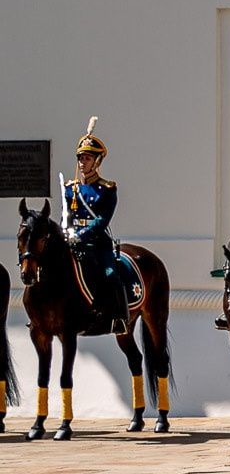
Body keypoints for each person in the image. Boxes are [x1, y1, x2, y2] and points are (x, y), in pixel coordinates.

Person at [61, 121, 135, 330]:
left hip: (97, 244)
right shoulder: (70, 188)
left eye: (87, 158)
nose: (82, 163)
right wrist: (65, 232)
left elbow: (102, 221)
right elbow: (65, 216)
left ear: (97, 161)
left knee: (111, 275)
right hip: (72, 243)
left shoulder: (107, 189)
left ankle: (119, 317)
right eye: (81, 158)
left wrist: (81, 235)